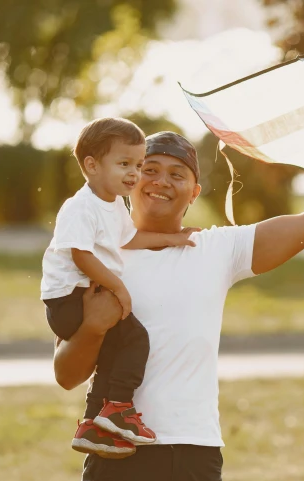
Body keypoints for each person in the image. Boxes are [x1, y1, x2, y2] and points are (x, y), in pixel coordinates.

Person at [53, 110, 304, 481]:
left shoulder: (216, 249)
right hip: (117, 455)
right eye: (148, 169)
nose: (160, 181)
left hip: (197, 451)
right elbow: (66, 375)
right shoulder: (95, 256)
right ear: (130, 180)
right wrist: (94, 326)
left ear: (195, 192)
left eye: (177, 174)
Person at [41, 118, 199, 458]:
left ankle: (92, 426)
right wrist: (118, 288)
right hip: (69, 300)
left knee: (115, 352)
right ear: (92, 165)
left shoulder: (112, 205)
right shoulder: (81, 206)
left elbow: (130, 238)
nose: (134, 173)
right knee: (135, 339)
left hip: (82, 294)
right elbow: (81, 255)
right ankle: (118, 409)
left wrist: (173, 238)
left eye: (138, 165)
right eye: (125, 164)